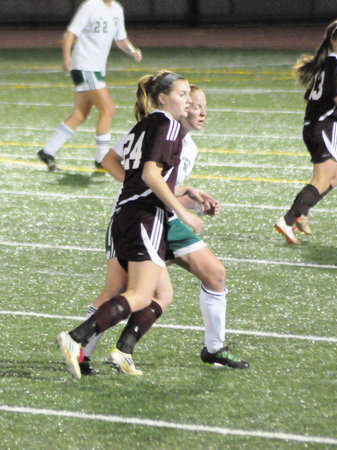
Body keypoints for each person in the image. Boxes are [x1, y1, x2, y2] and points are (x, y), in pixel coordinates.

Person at [78, 86, 249, 377]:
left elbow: (165, 187)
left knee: (213, 274)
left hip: (164, 218)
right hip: (139, 218)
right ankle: (81, 349)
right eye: (195, 105)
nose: (202, 112)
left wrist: (194, 202)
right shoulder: (159, 129)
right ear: (179, 105)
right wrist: (139, 190)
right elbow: (116, 163)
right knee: (120, 290)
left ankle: (211, 348)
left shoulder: (186, 143)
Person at [56, 71, 202, 380]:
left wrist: (176, 194)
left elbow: (130, 170)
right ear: (162, 97)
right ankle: (75, 338)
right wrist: (183, 212)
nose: (188, 101)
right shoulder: (168, 125)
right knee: (139, 295)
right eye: (182, 94)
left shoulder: (146, 124)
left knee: (161, 293)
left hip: (128, 213)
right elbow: (150, 175)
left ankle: (122, 351)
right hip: (145, 217)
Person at [274, 18, 337, 244]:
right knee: (321, 180)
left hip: (314, 126)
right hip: (324, 128)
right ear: (333, 41)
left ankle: (302, 212)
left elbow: (311, 97)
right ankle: (288, 220)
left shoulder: (327, 62)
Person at [37, 0, 142, 172]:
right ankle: (102, 159)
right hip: (85, 66)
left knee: (79, 114)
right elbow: (70, 33)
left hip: (95, 69)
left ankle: (47, 151)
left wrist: (132, 50)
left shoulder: (116, 9)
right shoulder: (90, 6)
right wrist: (67, 57)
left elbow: (121, 38)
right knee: (108, 109)